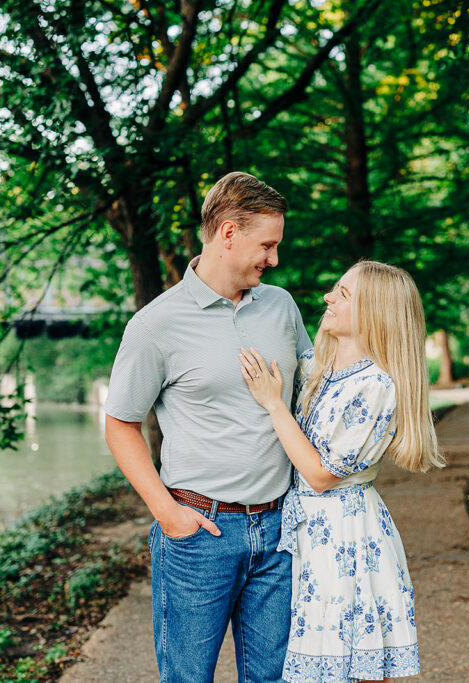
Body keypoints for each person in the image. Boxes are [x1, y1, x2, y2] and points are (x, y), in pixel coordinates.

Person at [103, 171, 312, 683]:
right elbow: (120, 423)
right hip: (201, 534)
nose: (274, 258)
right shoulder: (156, 324)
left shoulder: (281, 305)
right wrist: (167, 513)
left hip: (281, 530)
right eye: (267, 245)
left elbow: (317, 389)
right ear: (227, 233)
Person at [238, 260, 443, 683]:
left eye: (343, 294)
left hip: (345, 538)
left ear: (375, 312)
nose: (328, 297)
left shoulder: (376, 384)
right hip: (312, 536)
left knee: (353, 666)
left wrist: (274, 404)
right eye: (335, 288)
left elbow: (319, 475)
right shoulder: (320, 368)